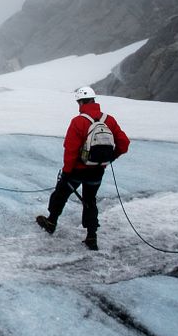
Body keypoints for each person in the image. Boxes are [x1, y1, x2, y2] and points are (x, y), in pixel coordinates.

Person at [36, 86, 130, 251]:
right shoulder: (109, 120)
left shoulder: (78, 121)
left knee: (60, 195)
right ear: (94, 100)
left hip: (77, 170)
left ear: (80, 102)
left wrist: (66, 172)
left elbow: (70, 149)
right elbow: (124, 144)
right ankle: (91, 236)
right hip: (97, 170)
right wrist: (109, 159)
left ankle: (51, 222)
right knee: (90, 201)